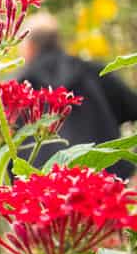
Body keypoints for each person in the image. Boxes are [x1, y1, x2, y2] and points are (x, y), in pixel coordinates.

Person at [18, 12, 137, 179]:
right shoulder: (98, 73)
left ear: (29, 47)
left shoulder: (18, 88)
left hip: (45, 193)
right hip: (108, 182)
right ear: (58, 41)